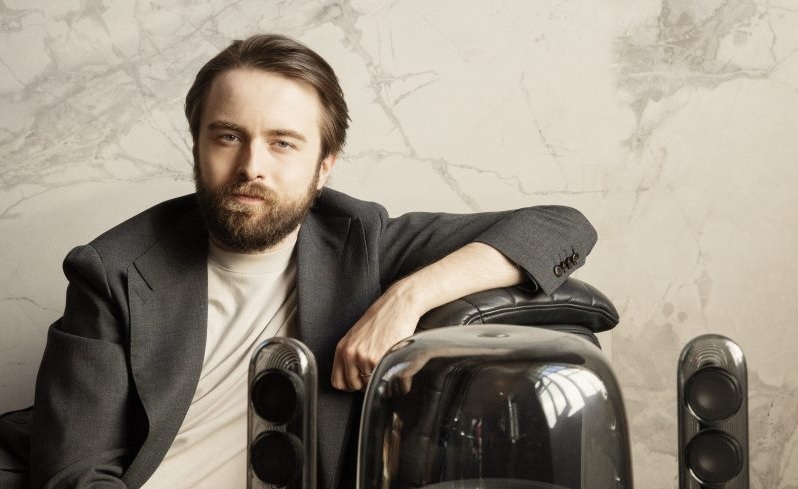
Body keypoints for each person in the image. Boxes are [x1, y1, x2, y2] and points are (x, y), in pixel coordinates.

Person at [0, 34, 596, 489]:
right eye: (227, 136)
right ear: (197, 145)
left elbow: (561, 227)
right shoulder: (112, 271)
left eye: (282, 143)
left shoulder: (361, 242)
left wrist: (407, 298)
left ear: (324, 166)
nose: (251, 167)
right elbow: (76, 474)